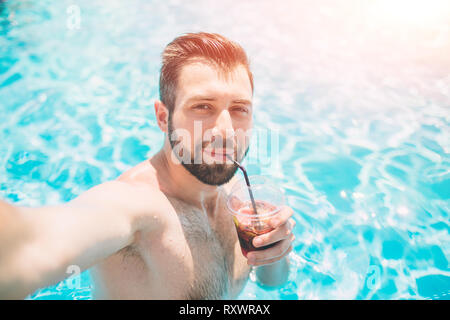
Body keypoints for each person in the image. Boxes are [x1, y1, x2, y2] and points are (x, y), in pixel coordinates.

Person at [0, 32, 296, 300]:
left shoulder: (238, 197)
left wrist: (276, 251)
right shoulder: (137, 206)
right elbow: (32, 246)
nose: (226, 130)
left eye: (239, 109)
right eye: (202, 106)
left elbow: (272, 285)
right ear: (163, 117)